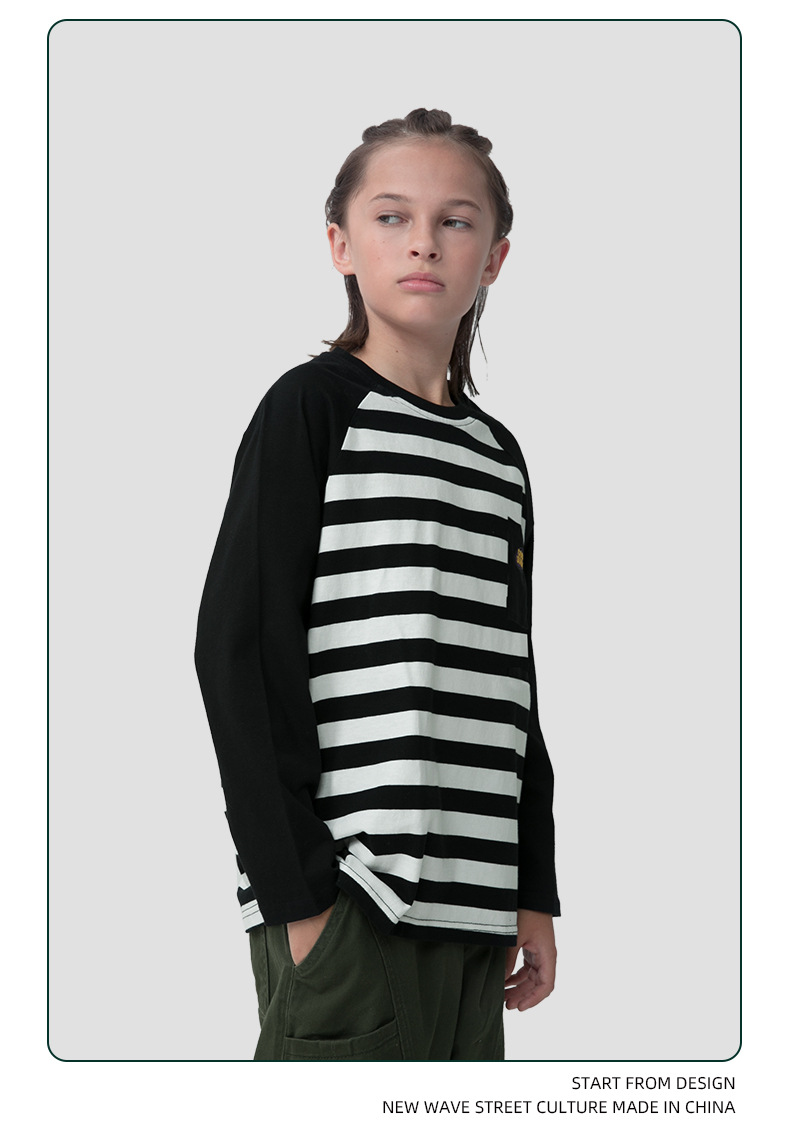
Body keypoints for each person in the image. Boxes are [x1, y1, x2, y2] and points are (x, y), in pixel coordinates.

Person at [194, 108, 560, 1062]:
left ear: (495, 257)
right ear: (341, 245)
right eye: (392, 216)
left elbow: (508, 681)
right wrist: (302, 897)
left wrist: (533, 886)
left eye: (456, 220)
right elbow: (238, 651)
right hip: (358, 902)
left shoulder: (499, 456)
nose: (423, 242)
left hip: (478, 915)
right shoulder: (312, 409)